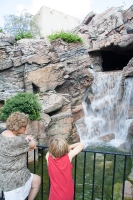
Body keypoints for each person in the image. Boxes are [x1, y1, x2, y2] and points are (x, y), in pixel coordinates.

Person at [0, 112, 41, 200]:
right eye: (24, 126)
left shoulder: (2, 134)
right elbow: (33, 144)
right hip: (15, 181)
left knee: (37, 180)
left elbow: (15, 146)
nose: (26, 128)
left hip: (7, 176)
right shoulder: (18, 141)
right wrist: (30, 139)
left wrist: (25, 141)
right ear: (18, 126)